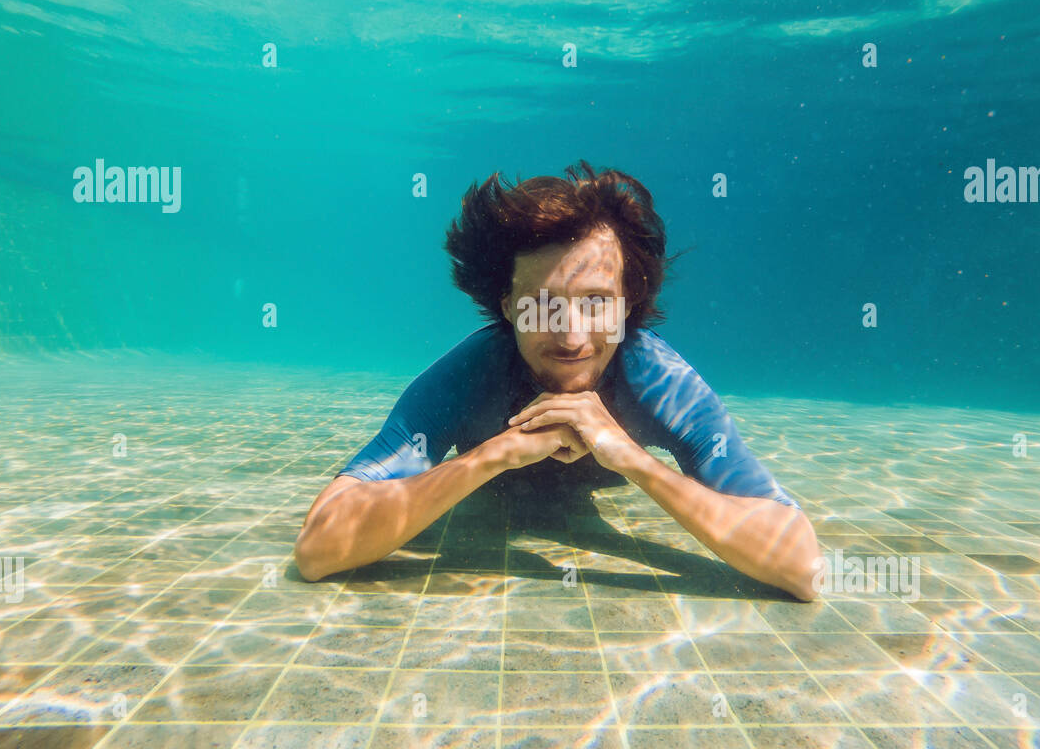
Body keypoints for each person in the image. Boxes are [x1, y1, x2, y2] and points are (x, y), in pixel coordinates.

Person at [295, 160, 821, 600]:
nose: (572, 338)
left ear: (628, 304)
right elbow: (319, 549)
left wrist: (629, 458)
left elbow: (802, 565)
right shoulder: (469, 375)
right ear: (507, 308)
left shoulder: (659, 383)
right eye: (543, 306)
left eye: (596, 304)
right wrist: (491, 456)